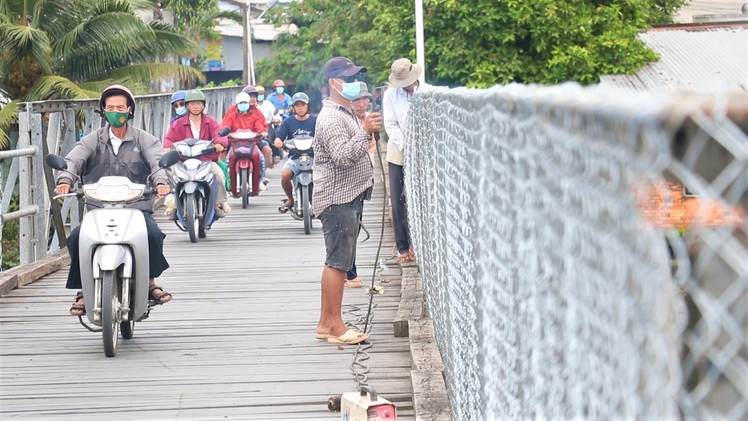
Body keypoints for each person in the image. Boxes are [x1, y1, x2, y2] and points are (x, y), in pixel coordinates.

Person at [55, 85, 173, 315]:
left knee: (153, 234)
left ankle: (150, 284)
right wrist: (65, 179)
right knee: (77, 237)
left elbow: (159, 163)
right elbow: (72, 161)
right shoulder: (91, 140)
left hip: (136, 208)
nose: (115, 112)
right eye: (110, 108)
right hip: (99, 209)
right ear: (103, 111)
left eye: (120, 107)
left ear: (130, 110)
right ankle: (83, 290)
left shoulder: (145, 140)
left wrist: (161, 182)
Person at [313, 57, 382, 345]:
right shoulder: (330, 117)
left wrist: (365, 129)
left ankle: (326, 323)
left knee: (340, 261)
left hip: (348, 196)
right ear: (333, 82)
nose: (354, 84)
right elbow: (342, 157)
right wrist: (365, 132)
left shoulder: (347, 113)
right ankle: (336, 328)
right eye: (349, 78)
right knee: (337, 263)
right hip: (337, 198)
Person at [163, 89, 231, 215]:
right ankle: (173, 203)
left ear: (203, 105)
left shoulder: (211, 121)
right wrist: (167, 147)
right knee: (171, 175)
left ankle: (220, 201)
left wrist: (219, 143)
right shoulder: (178, 123)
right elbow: (168, 138)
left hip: (205, 160)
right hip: (183, 160)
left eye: (198, 103)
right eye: (192, 103)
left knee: (218, 174)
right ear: (188, 105)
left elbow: (219, 134)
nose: (195, 106)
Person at [382, 58, 424, 263]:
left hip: (425, 149)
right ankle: (402, 247)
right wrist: (405, 145)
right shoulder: (390, 95)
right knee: (399, 199)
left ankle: (419, 244)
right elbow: (390, 124)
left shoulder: (428, 93)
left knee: (421, 197)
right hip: (399, 148)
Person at [342, 82, 378, 288]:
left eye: (365, 99)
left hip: (362, 180)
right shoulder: (345, 121)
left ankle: (349, 270)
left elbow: (371, 151)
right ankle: (349, 272)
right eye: (357, 99)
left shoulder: (368, 121)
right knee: (347, 228)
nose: (362, 103)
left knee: (354, 226)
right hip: (344, 181)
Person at [274, 92, 317, 213]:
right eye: (297, 105)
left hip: (314, 157)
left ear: (307, 105)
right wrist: (279, 142)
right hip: (295, 157)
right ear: (293, 107)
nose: (300, 107)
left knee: (325, 175)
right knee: (285, 175)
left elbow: (324, 135)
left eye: (302, 104)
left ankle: (323, 199)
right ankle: (290, 199)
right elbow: (279, 137)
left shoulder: (316, 120)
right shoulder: (288, 122)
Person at [223, 88, 272, 188]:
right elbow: (226, 125)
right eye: (241, 102)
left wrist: (262, 132)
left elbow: (259, 126)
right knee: (227, 160)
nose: (243, 104)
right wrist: (225, 131)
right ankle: (226, 180)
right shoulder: (232, 115)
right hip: (234, 143)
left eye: (245, 102)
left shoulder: (255, 115)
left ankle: (261, 178)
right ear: (237, 103)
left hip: (252, 142)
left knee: (261, 158)